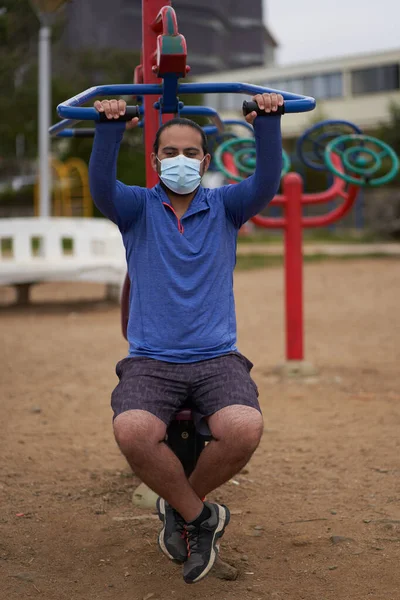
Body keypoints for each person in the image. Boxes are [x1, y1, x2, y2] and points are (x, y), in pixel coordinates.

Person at [89, 93, 283, 584]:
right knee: (133, 432)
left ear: (205, 160)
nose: (180, 160)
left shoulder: (226, 207)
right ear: (155, 160)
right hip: (151, 360)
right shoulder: (135, 208)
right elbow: (100, 187)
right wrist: (110, 127)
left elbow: (265, 182)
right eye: (169, 153)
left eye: (190, 153)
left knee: (244, 428)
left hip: (217, 357)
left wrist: (267, 121)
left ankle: (180, 509)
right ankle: (202, 518)